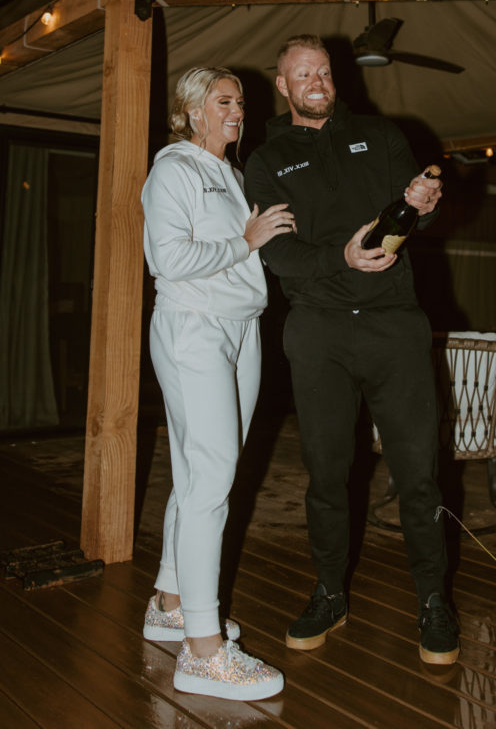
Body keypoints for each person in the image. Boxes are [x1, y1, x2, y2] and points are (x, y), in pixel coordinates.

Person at [244, 34, 460, 665]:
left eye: (324, 71)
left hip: (395, 324)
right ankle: (330, 592)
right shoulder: (268, 158)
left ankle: (432, 600)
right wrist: (338, 257)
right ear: (283, 86)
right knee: (327, 476)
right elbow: (276, 251)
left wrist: (424, 202)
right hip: (319, 330)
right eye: (302, 73)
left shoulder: (383, 135)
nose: (317, 81)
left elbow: (420, 216)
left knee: (418, 473)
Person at [140, 65, 295, 701]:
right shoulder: (173, 169)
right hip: (193, 327)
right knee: (211, 476)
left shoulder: (232, 174)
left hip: (241, 327)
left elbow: (249, 248)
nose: (237, 110)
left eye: (240, 102)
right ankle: (202, 650)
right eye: (224, 101)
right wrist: (245, 238)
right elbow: (168, 258)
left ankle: (170, 603)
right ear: (193, 109)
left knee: (201, 472)